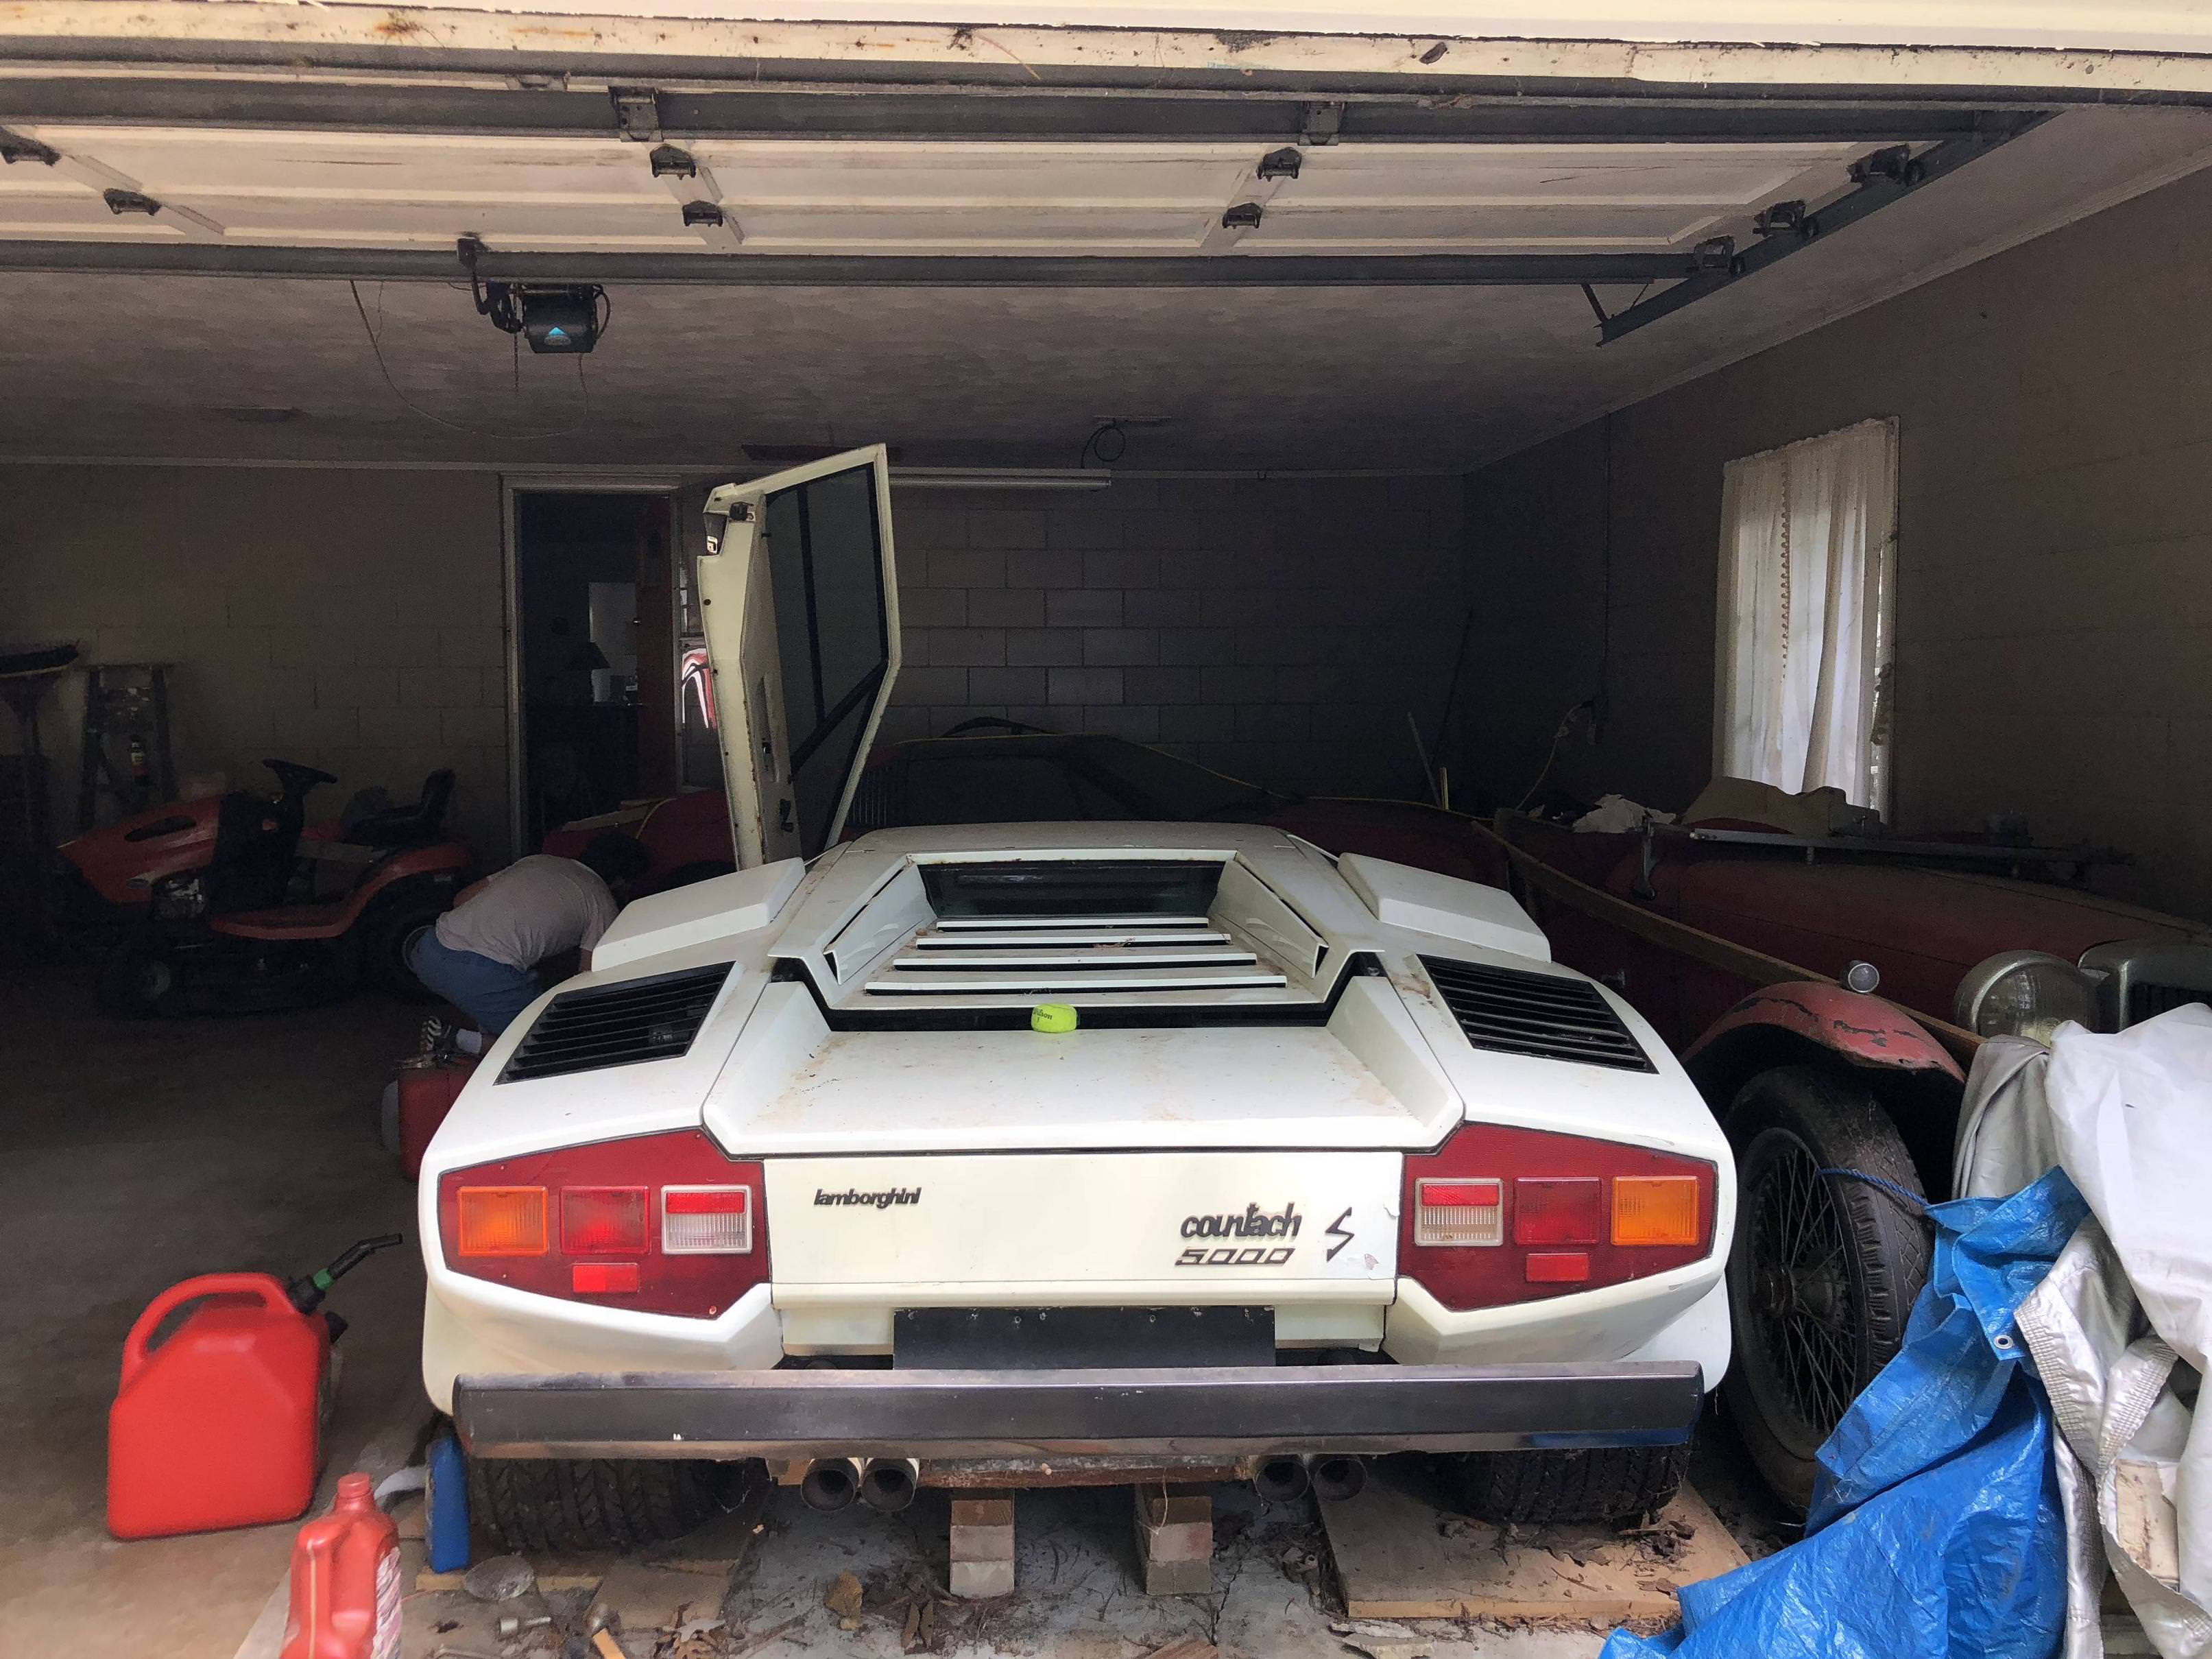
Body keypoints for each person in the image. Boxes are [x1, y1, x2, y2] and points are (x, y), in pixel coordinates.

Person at [411, 830, 651, 1055]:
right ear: (621, 880)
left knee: (507, 996)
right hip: (480, 973)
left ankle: (489, 1031)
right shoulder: (601, 900)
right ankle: (454, 1039)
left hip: (428, 950)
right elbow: (588, 979)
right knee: (550, 1039)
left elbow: (461, 899)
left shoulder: (537, 861)